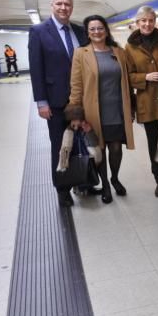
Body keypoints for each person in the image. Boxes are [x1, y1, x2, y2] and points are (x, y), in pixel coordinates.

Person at [65, 15, 135, 204]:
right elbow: (76, 85)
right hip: (93, 111)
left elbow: (127, 80)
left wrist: (132, 108)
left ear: (106, 30)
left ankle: (115, 178)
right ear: (87, 32)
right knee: (100, 149)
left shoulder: (118, 52)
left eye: (100, 28)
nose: (97, 32)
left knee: (116, 148)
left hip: (117, 109)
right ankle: (105, 184)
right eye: (92, 29)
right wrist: (75, 114)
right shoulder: (81, 53)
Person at [29, 0, 87, 207]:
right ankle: (62, 188)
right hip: (55, 101)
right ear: (51, 5)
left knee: (81, 142)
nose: (64, 8)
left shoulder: (80, 31)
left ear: (72, 7)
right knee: (60, 145)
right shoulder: (39, 31)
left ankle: (82, 181)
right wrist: (41, 102)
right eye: (59, 4)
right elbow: (36, 68)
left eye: (68, 4)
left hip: (79, 100)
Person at [125, 5, 158, 197]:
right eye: (143, 20)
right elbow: (127, 76)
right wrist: (145, 77)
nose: (147, 24)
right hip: (146, 103)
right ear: (137, 23)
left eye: (150, 20)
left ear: (155, 21)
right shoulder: (129, 47)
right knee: (154, 144)